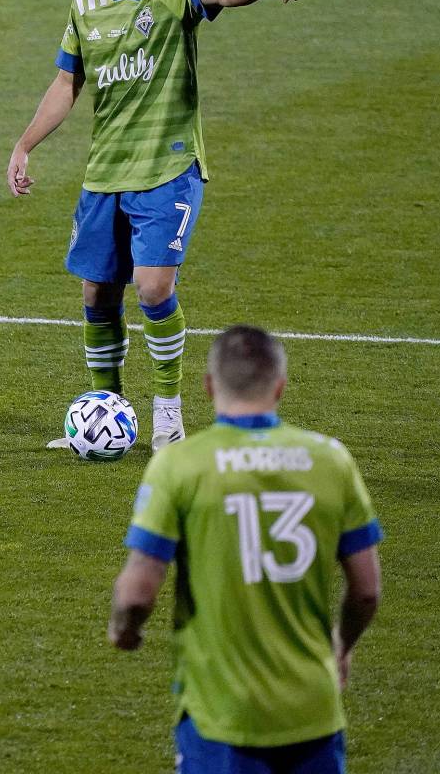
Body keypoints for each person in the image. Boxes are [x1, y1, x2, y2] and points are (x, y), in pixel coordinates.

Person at [6, 0, 299, 453]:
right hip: (104, 174)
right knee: (96, 294)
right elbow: (67, 82)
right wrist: (24, 146)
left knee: (153, 286)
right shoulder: (85, 4)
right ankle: (103, 410)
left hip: (168, 169)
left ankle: (168, 414)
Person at [108, 325, 383, 774]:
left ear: (209, 385)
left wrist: (126, 628)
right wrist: (342, 646)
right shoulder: (331, 461)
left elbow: (138, 591)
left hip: (223, 715)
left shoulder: (181, 465)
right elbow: (367, 591)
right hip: (313, 709)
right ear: (280, 386)